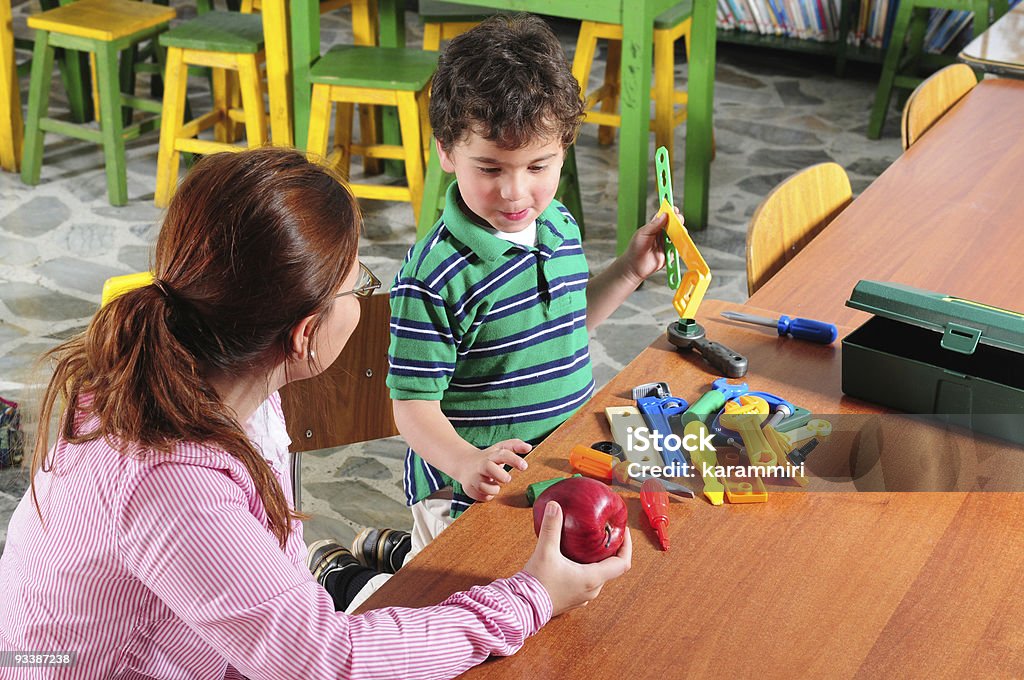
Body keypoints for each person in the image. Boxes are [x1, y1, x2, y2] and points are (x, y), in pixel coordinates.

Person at [0, 148, 631, 679]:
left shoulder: (201, 372)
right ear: (305, 335)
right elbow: (326, 662)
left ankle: (348, 571)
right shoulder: (172, 481)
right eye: (357, 286)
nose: (366, 296)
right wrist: (531, 597)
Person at [387, 14, 675, 551]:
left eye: (539, 166)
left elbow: (565, 324)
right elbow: (412, 407)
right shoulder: (434, 277)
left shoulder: (559, 225)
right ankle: (372, 569)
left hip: (560, 471)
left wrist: (630, 270)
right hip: (469, 495)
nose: (517, 193)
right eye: (491, 169)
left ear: (565, 147)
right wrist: (465, 462)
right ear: (447, 152)